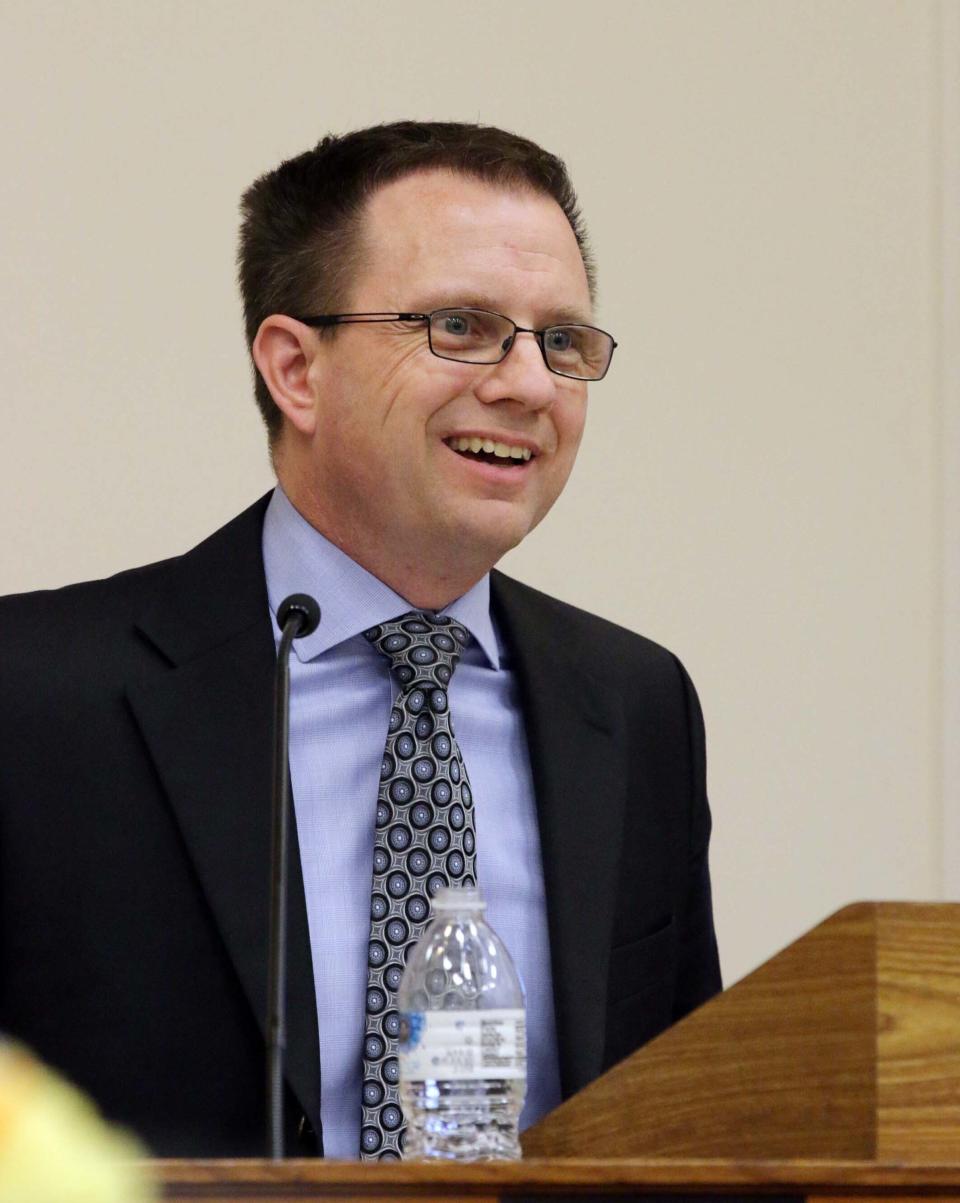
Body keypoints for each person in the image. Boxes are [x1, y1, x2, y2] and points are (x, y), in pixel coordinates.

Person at [0, 121, 721, 1159]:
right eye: (464, 326)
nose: (528, 385)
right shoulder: (38, 696)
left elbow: (685, 1122)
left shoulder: (634, 703)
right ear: (297, 369)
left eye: (562, 340)